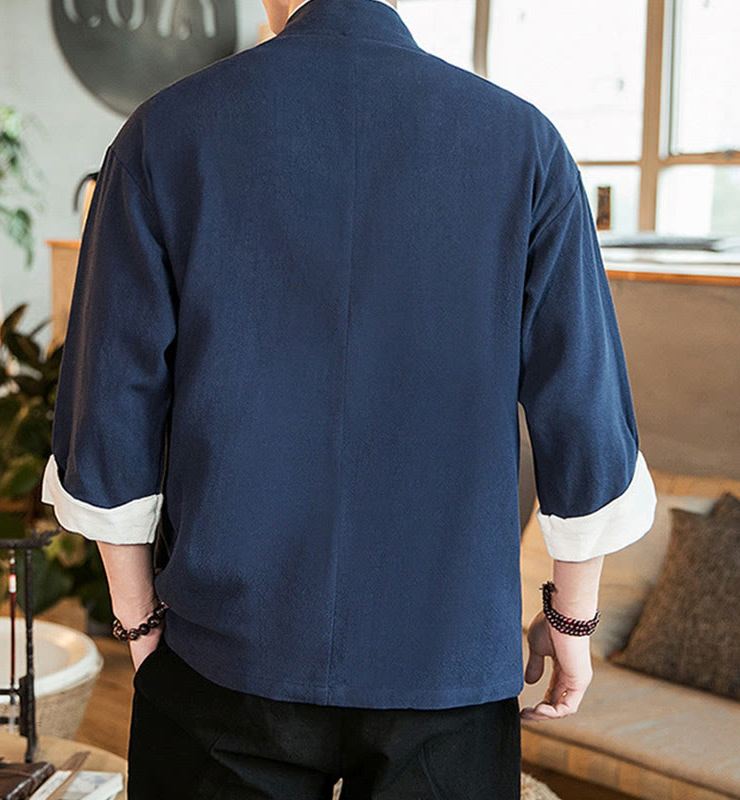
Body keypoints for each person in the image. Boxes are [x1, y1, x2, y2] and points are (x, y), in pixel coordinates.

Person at [40, 0, 658, 797]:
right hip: (445, 665)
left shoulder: (163, 134)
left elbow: (108, 409)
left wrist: (138, 619)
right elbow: (586, 417)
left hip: (224, 657)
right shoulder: (524, 144)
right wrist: (571, 619)